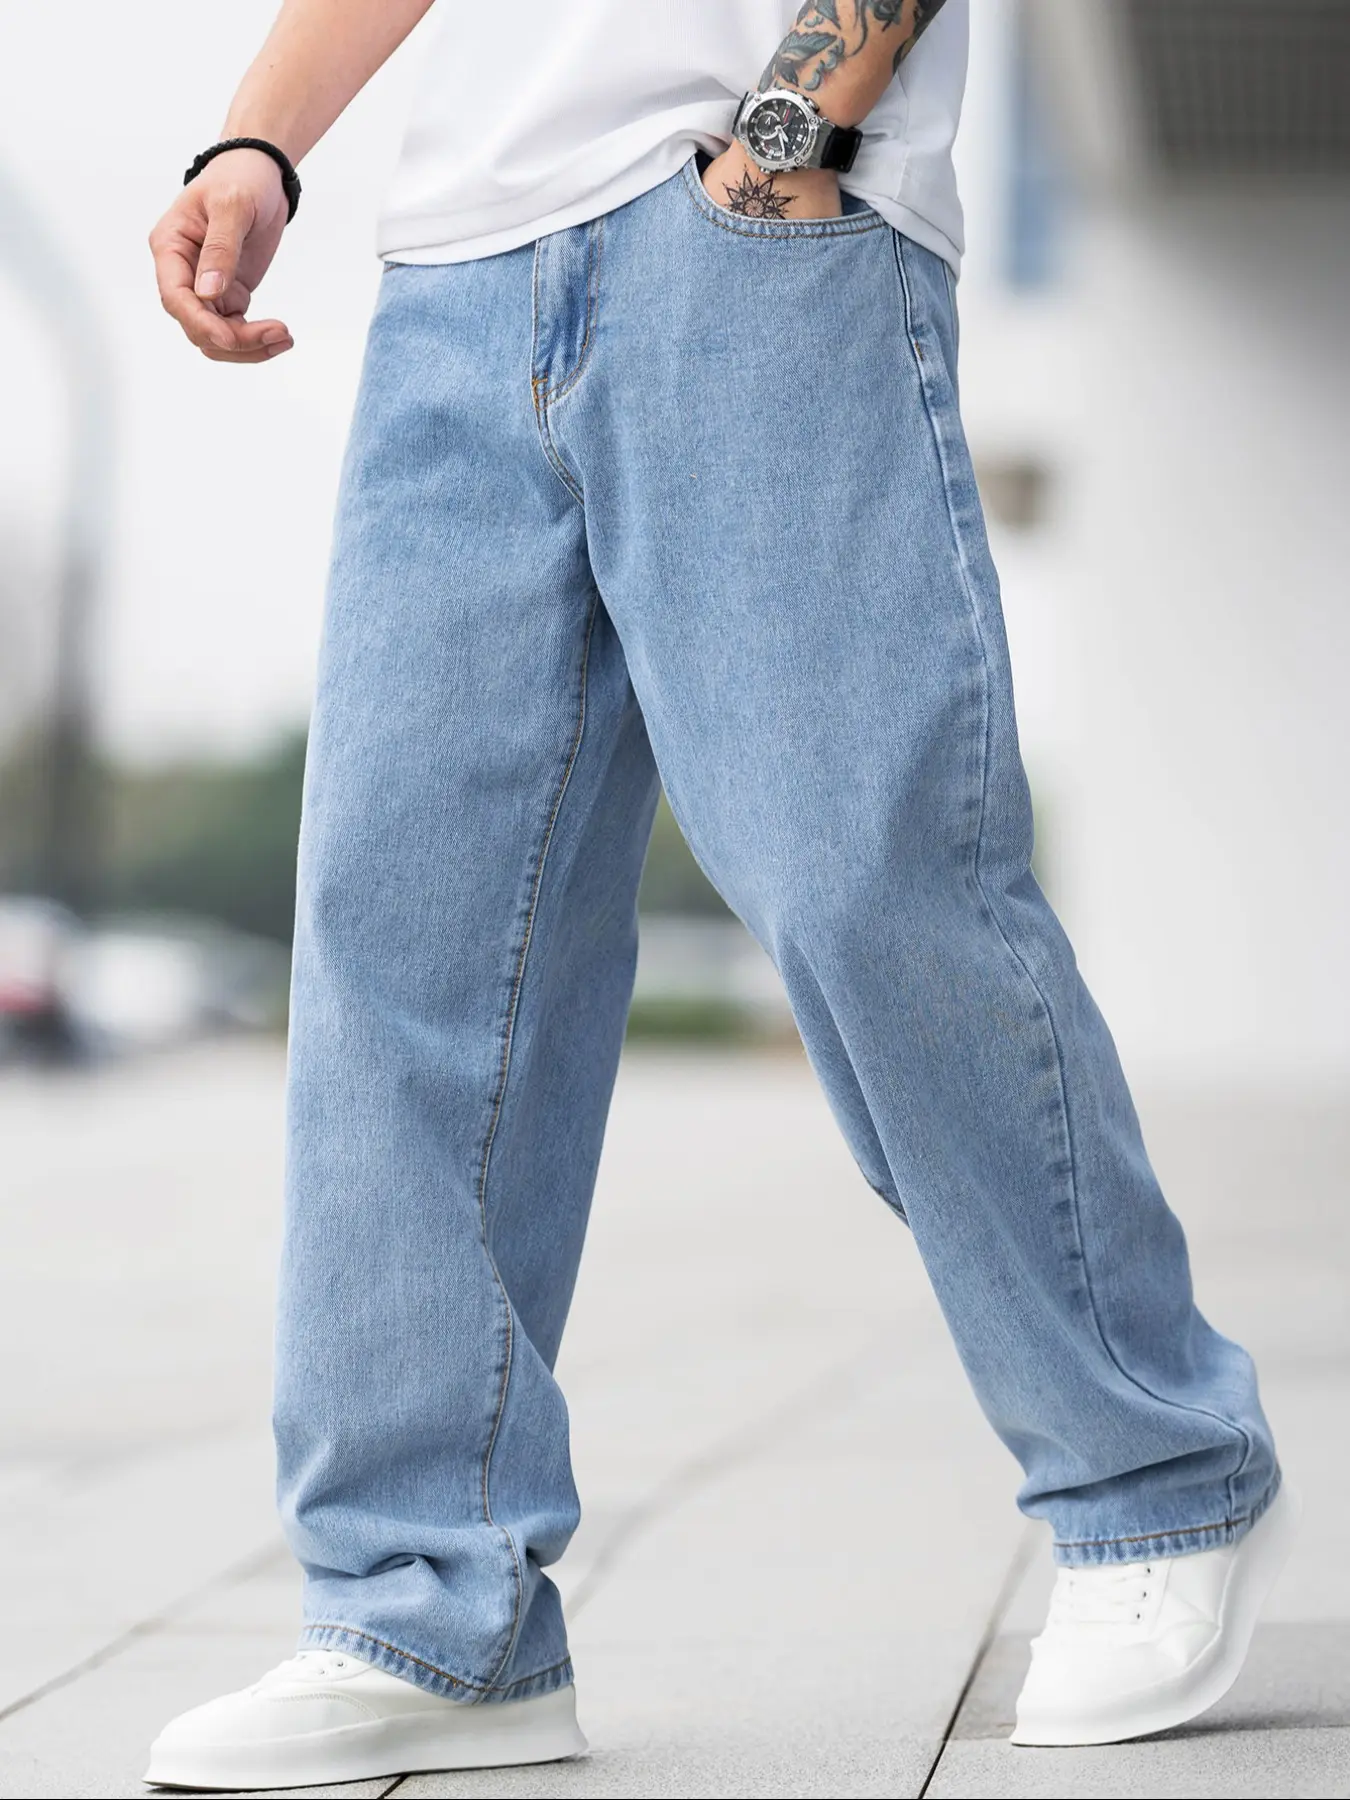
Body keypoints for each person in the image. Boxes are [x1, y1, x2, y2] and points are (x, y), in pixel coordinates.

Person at [144, 2, 1294, 1788]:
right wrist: (258, 142)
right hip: (456, 271)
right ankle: (427, 1609)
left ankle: (1154, 1475)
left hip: (759, 223)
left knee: (866, 882)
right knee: (404, 949)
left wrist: (792, 130)